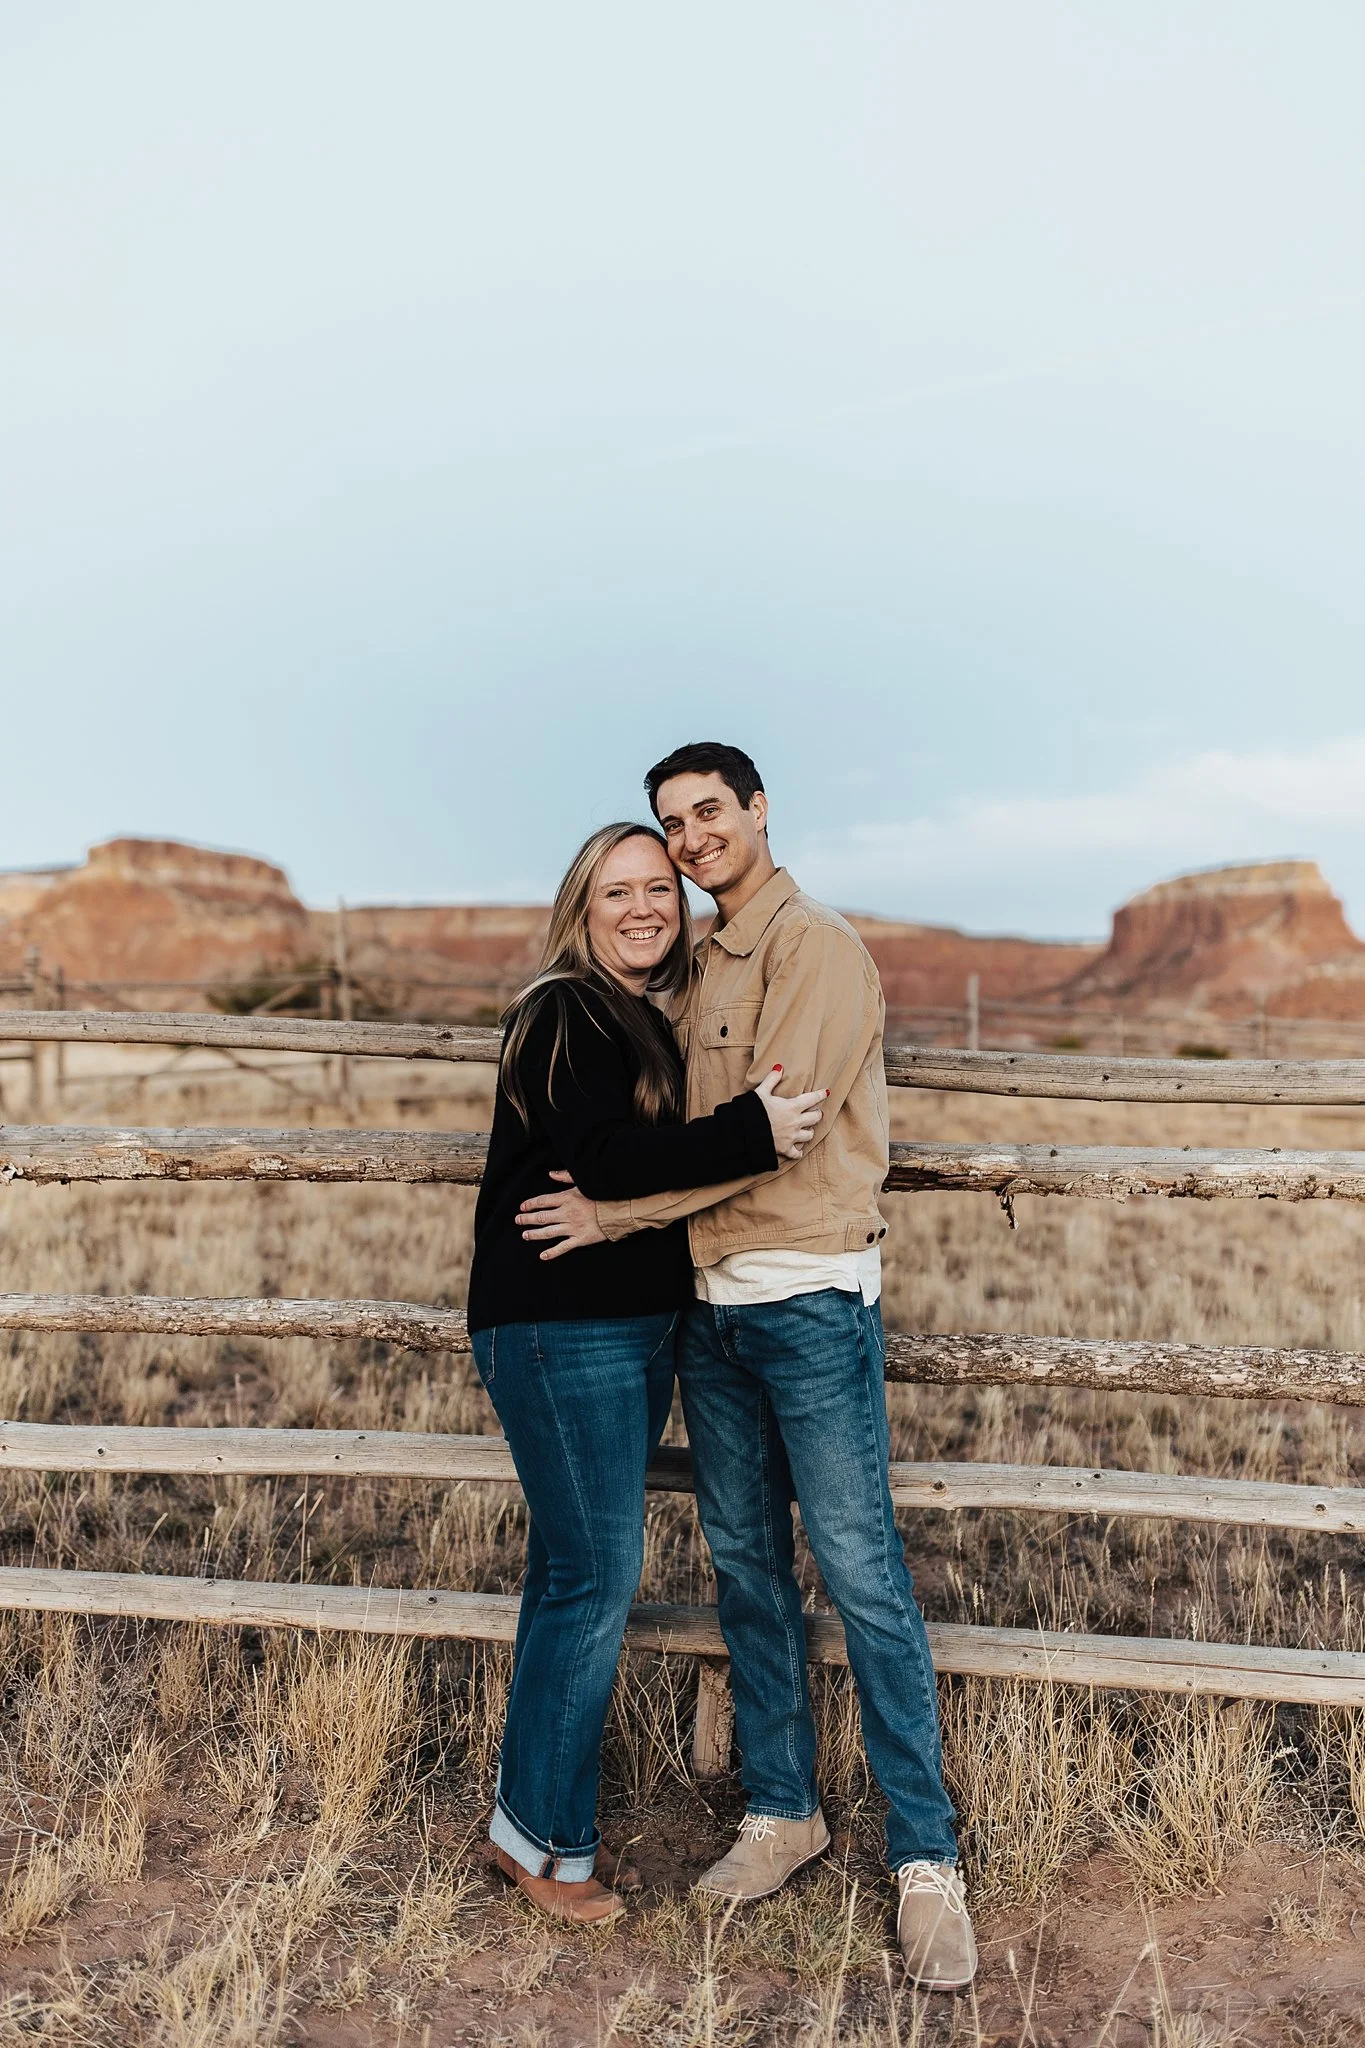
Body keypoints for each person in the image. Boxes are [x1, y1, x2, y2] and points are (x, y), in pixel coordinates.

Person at [515, 744, 978, 1991]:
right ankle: (783, 1807)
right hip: (709, 1313)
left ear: (759, 810)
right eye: (673, 823)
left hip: (809, 1301)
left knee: (864, 1570)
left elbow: (779, 1140)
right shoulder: (690, 969)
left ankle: (927, 1857)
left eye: (709, 811)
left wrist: (614, 1217)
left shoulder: (816, 948)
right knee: (748, 1568)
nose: (692, 837)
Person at [466, 818, 827, 1928]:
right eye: (617, 889)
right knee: (593, 1577)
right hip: (559, 1330)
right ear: (583, 907)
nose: (642, 906)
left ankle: (527, 1825)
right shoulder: (565, 1007)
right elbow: (607, 1158)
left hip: (616, 1329)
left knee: (573, 1575)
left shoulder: (638, 1016)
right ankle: (545, 1849)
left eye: (658, 888)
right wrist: (753, 1132)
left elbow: (623, 1177)